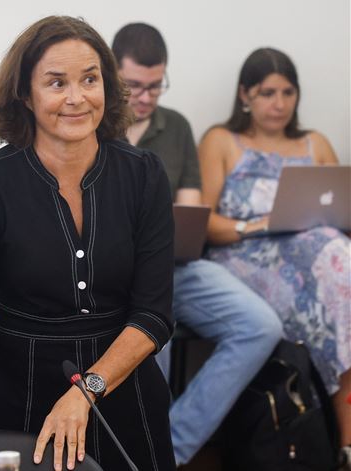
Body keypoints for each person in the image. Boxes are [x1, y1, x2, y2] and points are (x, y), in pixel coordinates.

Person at [0, 16, 176, 471]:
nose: (76, 98)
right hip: (19, 397)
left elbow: (153, 315)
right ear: (25, 94)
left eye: (90, 79)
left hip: (125, 396)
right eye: (56, 82)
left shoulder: (144, 174)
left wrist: (87, 391)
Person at [111, 23, 283, 466]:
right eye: (135, 86)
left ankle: (171, 447)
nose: (147, 97)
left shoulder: (177, 127)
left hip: (178, 263)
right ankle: (147, 451)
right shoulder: (94, 127)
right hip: (118, 274)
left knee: (260, 326)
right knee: (153, 332)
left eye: (156, 86)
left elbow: (189, 212)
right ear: (113, 75)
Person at [198, 47, 351, 460]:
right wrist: (259, 224)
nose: (279, 104)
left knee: (339, 263)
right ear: (245, 94)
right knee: (338, 276)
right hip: (245, 256)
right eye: (267, 93)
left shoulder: (314, 143)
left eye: (287, 92)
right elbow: (205, 223)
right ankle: (345, 436)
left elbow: (341, 207)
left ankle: (343, 437)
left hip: (320, 261)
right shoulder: (222, 141)